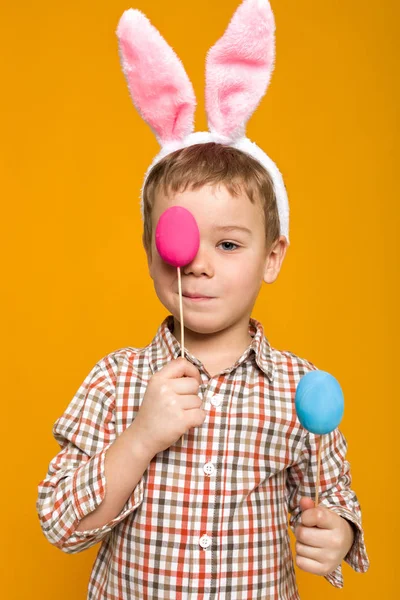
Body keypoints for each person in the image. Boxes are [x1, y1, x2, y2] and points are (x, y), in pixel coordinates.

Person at [36, 2, 370, 599]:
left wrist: (338, 531)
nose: (199, 262)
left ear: (272, 257)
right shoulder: (115, 382)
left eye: (229, 243)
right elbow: (60, 526)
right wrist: (141, 436)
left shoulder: (301, 389)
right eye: (180, 239)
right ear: (150, 252)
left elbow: (335, 490)